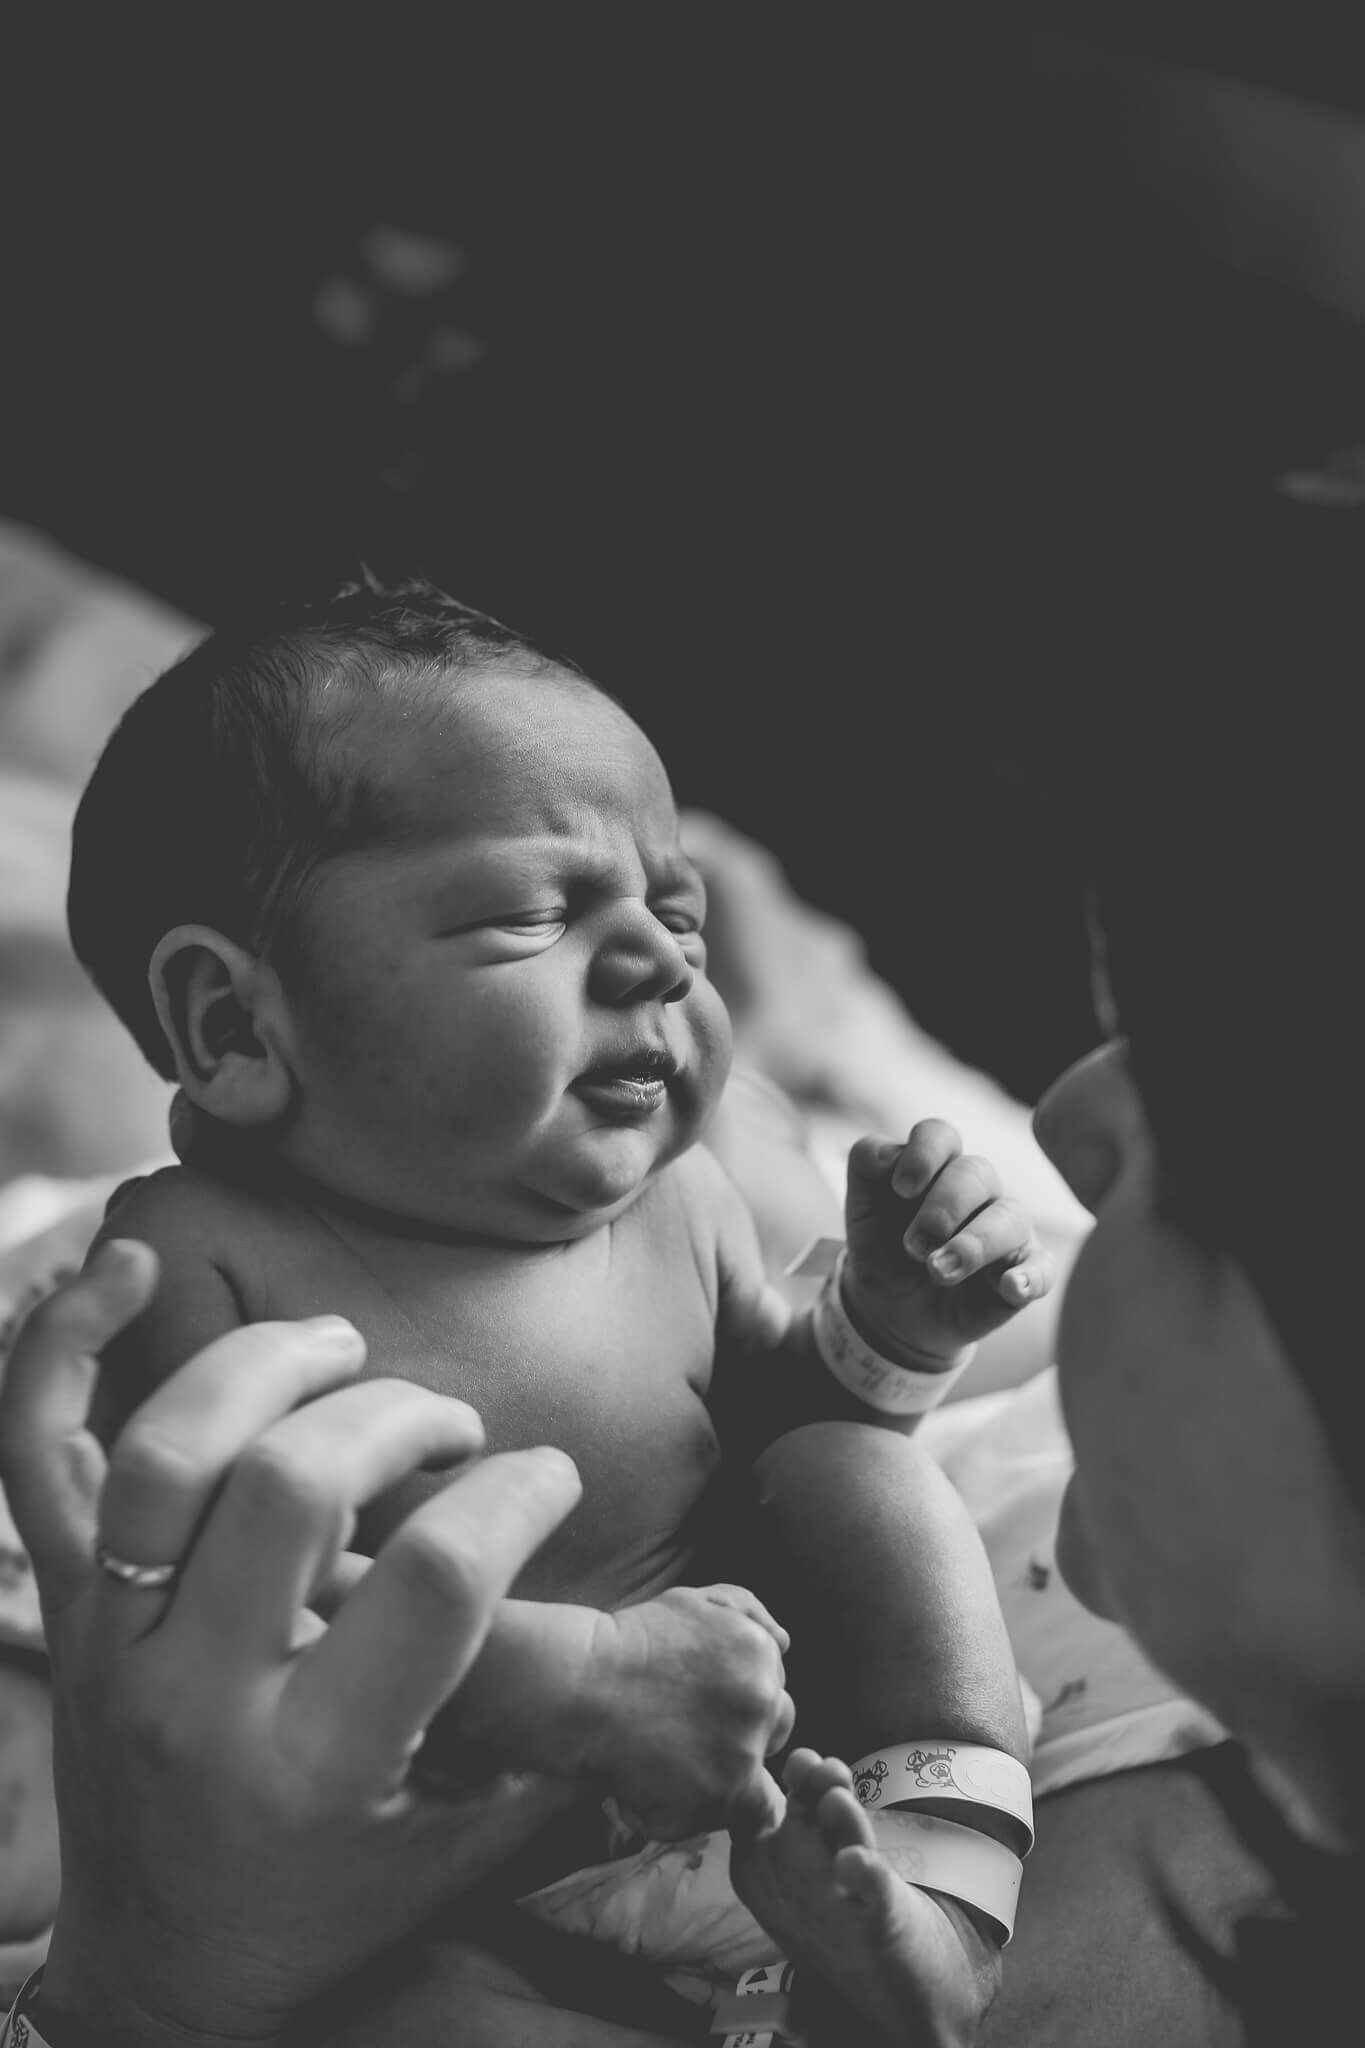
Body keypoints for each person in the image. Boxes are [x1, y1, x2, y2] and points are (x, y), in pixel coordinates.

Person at [55, 573, 1053, 2042]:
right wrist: (588, 1680)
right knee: (396, 2017)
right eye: (540, 910)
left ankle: (930, 1915)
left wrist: (884, 1334)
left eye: (678, 916)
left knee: (856, 1477)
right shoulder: (193, 1257)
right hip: (438, 1881)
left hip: (806, 1796)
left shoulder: (678, 1199)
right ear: (235, 1026)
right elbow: (232, 1605)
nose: (659, 964)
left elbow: (785, 1422)